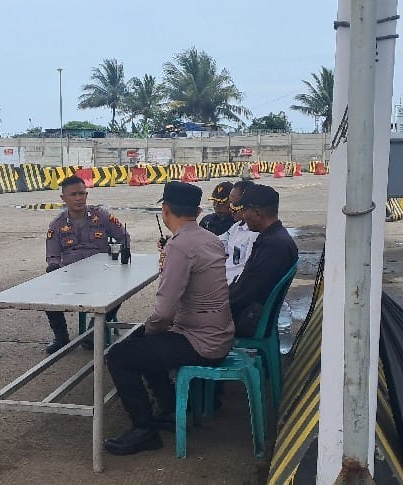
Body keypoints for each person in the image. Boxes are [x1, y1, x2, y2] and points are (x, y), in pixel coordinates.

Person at [104, 181, 234, 456]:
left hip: (200, 342)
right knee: (145, 340)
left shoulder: (179, 246)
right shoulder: (209, 238)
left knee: (119, 355)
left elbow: (164, 313)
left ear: (165, 210)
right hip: (217, 334)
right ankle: (168, 409)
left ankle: (144, 430)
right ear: (197, 211)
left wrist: (150, 331)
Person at [44, 175, 130, 353]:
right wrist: (54, 269)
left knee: (121, 290)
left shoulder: (102, 216)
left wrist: (118, 254)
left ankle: (93, 333)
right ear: (63, 198)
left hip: (102, 275)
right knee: (45, 291)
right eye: (73, 194)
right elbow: (52, 256)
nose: (79, 198)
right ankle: (61, 337)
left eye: (82, 193)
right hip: (71, 277)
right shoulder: (56, 225)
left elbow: (124, 237)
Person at [229, 184, 298, 338]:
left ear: (257, 213)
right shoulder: (275, 238)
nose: (243, 216)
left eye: (245, 210)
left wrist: (216, 307)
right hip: (252, 313)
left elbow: (247, 292)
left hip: (248, 319)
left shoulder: (274, 246)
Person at [220, 180, 258, 285]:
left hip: (232, 286)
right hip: (223, 280)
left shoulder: (254, 234)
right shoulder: (237, 226)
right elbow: (219, 243)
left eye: (234, 204)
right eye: (230, 203)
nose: (230, 208)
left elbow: (248, 271)